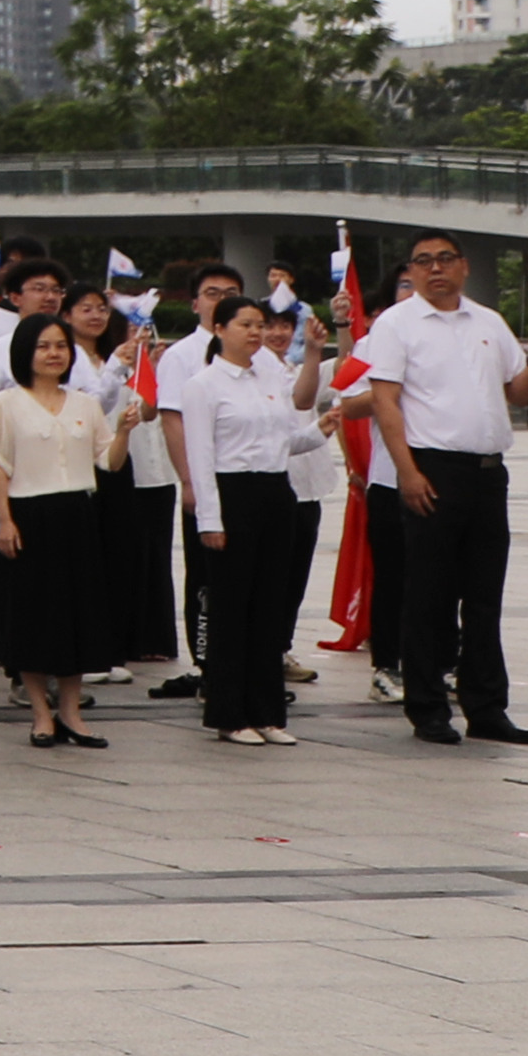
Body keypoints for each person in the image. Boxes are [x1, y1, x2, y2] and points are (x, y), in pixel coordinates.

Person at [362, 236, 528, 745]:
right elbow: (385, 402)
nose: (434, 269)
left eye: (444, 260)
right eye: (422, 262)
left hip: (487, 471)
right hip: (433, 469)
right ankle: (428, 708)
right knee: (428, 594)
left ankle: (486, 707)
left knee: (484, 595)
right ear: (411, 272)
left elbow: (518, 392)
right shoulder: (396, 324)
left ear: (463, 267)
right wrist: (407, 472)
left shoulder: (488, 321)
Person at [176, 291, 327, 743]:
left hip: (276, 492)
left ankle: (268, 713)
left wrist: (319, 431)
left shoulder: (272, 377)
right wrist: (210, 519)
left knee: (270, 607)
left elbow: (284, 441)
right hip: (232, 494)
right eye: (245, 324)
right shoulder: (203, 385)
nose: (256, 333)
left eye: (260, 324)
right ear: (220, 330)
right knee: (231, 609)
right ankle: (230, 713)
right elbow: (201, 456)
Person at [0, 313, 124, 747]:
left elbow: (108, 461)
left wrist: (127, 432)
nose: (53, 354)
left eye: (60, 346)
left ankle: (72, 713)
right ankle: (41, 713)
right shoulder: (8, 402)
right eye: (43, 346)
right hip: (28, 514)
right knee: (32, 614)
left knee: (78, 613)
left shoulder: (85, 403)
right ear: (26, 351)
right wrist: (4, 520)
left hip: (77, 515)